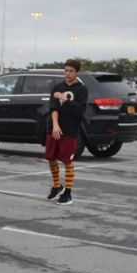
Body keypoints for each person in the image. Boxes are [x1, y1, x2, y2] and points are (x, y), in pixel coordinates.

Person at [45, 59, 88, 205]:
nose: (68, 73)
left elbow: (79, 110)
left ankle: (68, 193)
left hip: (70, 130)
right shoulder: (58, 87)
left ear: (77, 72)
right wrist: (55, 125)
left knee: (67, 161)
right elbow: (53, 108)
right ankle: (57, 186)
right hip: (55, 128)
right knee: (51, 158)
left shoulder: (82, 90)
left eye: (71, 71)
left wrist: (64, 98)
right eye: (66, 70)